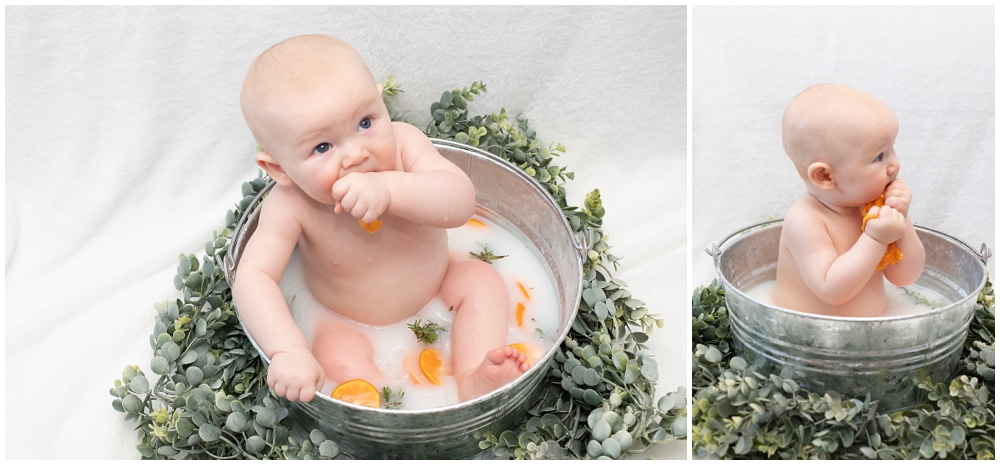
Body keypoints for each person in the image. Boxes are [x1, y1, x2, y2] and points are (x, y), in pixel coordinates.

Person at [233, 35, 527, 403]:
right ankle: (390, 410)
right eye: (322, 147)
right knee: (337, 357)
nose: (357, 154)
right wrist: (288, 349)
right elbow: (254, 277)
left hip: (441, 285)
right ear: (279, 168)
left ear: (381, 102)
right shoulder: (291, 204)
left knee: (482, 281)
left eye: (365, 122)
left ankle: (473, 378)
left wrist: (390, 189)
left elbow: (460, 201)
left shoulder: (405, 145)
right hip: (344, 320)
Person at [772, 84, 925, 317]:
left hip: (873, 334)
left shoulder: (869, 206)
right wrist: (876, 238)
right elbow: (832, 291)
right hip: (805, 337)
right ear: (825, 176)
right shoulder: (805, 220)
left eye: (892, 149)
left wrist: (901, 221)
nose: (895, 165)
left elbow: (905, 277)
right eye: (879, 156)